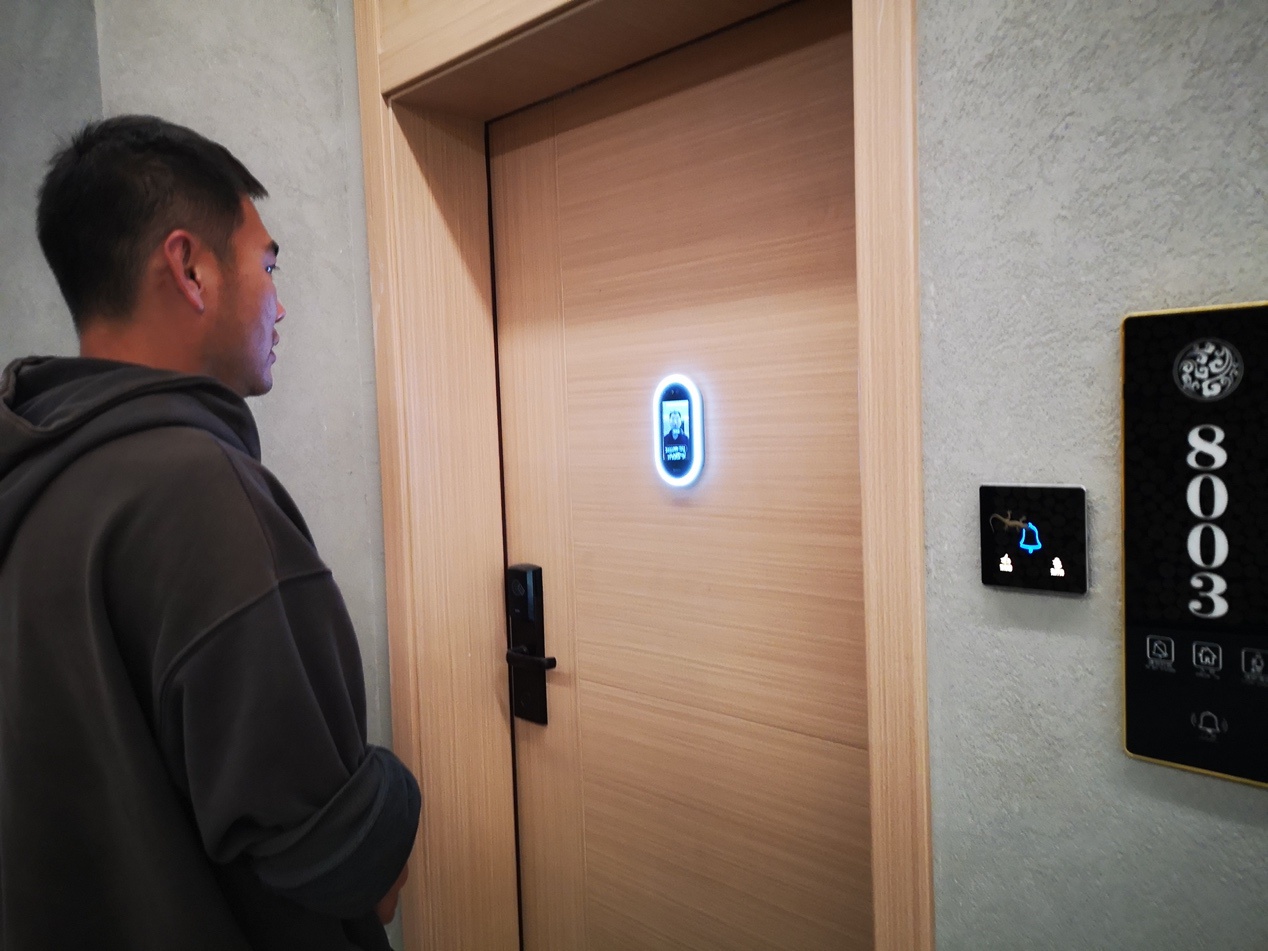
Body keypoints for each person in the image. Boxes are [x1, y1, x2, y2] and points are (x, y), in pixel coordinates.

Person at [0, 116, 419, 950]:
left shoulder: (33, 476)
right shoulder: (200, 494)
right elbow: (355, 879)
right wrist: (398, 791)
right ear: (190, 268)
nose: (280, 303)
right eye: (269, 264)